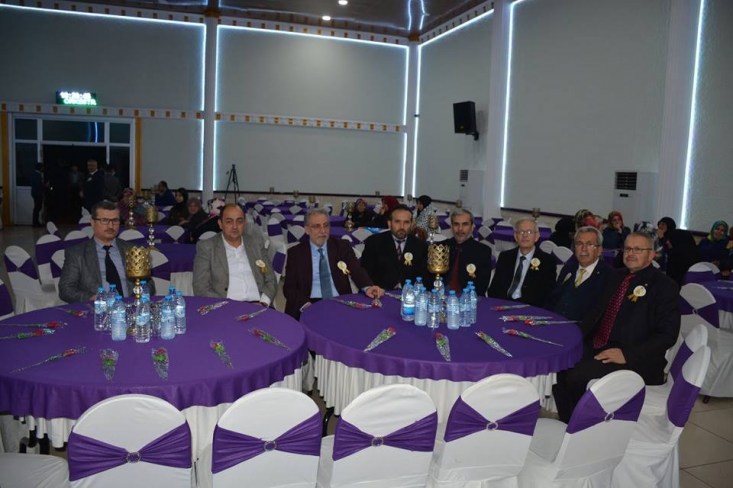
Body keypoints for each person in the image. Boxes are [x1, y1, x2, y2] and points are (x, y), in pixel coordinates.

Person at [553, 232, 680, 423]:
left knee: (576, 376)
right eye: (627, 249)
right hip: (601, 346)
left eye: (638, 249)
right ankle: (568, 423)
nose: (630, 253)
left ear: (652, 254)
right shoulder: (617, 276)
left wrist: (627, 354)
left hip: (636, 358)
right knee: (561, 366)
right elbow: (596, 314)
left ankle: (583, 426)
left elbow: (667, 335)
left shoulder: (664, 286)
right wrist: (575, 337)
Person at [283, 208, 383, 319]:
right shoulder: (295, 253)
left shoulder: (342, 246)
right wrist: (306, 305)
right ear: (307, 230)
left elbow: (356, 270)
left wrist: (367, 287)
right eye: (316, 226)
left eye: (326, 225)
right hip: (309, 302)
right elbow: (289, 288)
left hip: (339, 300)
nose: (323, 231)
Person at [59, 200, 154, 302]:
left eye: (115, 220)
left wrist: (135, 299)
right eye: (104, 220)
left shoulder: (132, 250)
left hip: (130, 306)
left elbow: (149, 284)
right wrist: (92, 298)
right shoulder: (77, 253)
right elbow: (65, 290)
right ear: (93, 223)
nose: (110, 226)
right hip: (96, 308)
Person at [192, 204, 276, 306]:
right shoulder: (207, 247)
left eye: (239, 221)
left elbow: (270, 278)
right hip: (226, 308)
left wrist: (263, 302)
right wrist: (228, 306)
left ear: (244, 223)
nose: (235, 226)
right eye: (229, 221)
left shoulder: (256, 243)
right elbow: (200, 287)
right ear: (220, 224)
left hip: (259, 305)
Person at [487, 217, 556, 306]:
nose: (525, 235)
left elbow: (546, 295)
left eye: (529, 232)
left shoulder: (547, 261)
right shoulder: (505, 257)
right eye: (521, 232)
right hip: (502, 305)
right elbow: (494, 288)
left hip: (529, 308)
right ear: (516, 236)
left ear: (536, 236)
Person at [547, 226, 611, 321]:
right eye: (579, 244)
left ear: (599, 250)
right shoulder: (569, 268)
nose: (583, 249)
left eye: (589, 244)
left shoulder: (608, 276)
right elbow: (553, 298)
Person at [360, 204, 429, 289]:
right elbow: (364, 273)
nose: (402, 227)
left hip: (410, 293)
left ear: (411, 224)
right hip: (380, 292)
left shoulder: (421, 246)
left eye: (406, 222)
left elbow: (424, 277)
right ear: (389, 223)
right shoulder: (374, 242)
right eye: (397, 222)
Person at [444, 209, 492, 295]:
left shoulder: (483, 251)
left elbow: (482, 287)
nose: (460, 229)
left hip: (469, 298)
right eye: (456, 224)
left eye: (465, 224)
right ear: (451, 227)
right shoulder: (441, 247)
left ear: (472, 227)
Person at [31, 162, 45, 227]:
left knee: (37, 208)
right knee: (37, 208)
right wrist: (45, 186)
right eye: (42, 167)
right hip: (37, 193)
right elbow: (39, 184)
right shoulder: (37, 175)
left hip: (35, 193)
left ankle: (36, 222)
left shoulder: (34, 174)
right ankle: (35, 223)